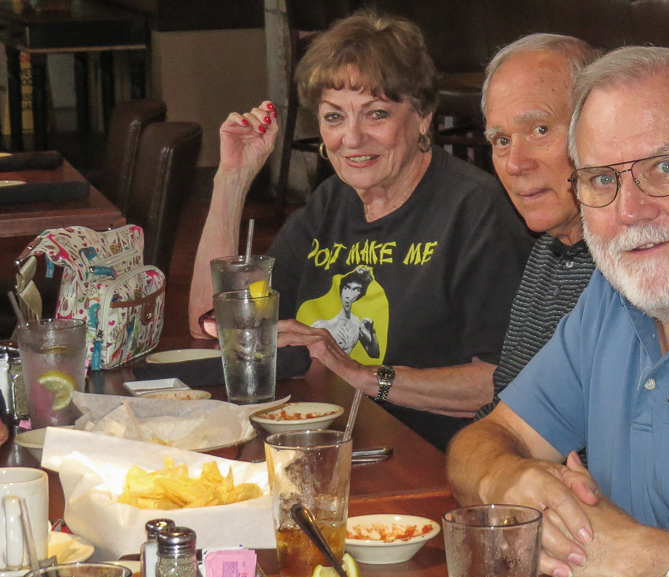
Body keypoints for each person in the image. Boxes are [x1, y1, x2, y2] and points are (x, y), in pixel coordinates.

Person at [448, 46, 669, 577]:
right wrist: (511, 480)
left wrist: (637, 553)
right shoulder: (617, 295)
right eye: (601, 180)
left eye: (663, 168)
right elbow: (489, 436)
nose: (630, 211)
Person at [189, 11, 532, 451]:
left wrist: (361, 376)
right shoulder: (331, 204)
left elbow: (502, 383)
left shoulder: (475, 212)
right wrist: (231, 181)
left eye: (376, 114)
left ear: (424, 116)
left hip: (423, 457)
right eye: (334, 118)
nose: (351, 138)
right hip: (323, 441)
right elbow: (212, 327)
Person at [475, 34, 599, 418]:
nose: (515, 163)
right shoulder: (550, 249)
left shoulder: (630, 268)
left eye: (539, 130)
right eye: (500, 140)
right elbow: (504, 410)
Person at [310, 266, 379, 358]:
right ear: (341, 289)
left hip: (348, 371)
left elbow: (374, 354)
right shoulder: (320, 326)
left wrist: (373, 332)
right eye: (347, 288)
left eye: (356, 290)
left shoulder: (356, 323)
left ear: (360, 294)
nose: (348, 295)